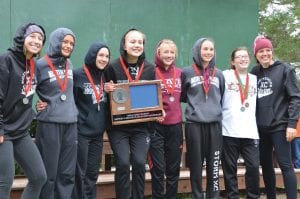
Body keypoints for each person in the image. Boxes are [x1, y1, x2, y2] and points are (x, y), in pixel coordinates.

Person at [103, 28, 155, 199]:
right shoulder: (112, 67)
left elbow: (153, 98)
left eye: (140, 42)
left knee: (140, 163)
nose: (137, 45)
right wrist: (106, 89)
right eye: (132, 42)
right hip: (119, 128)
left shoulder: (149, 68)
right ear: (124, 45)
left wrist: (156, 112)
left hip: (141, 127)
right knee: (123, 163)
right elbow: (103, 92)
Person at [0, 23, 47, 199]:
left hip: (20, 132)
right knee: (4, 180)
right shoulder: (6, 60)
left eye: (40, 38)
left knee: (39, 177)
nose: (36, 41)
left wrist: (36, 107)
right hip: (4, 130)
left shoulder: (32, 64)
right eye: (32, 36)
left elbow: (23, 94)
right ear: (22, 38)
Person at [250, 35, 300, 199]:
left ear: (272, 51)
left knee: (286, 165)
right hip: (260, 128)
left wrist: (292, 124)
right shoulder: (254, 72)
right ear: (256, 54)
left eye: (267, 50)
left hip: (280, 126)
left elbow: (295, 97)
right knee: (265, 165)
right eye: (261, 51)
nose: (265, 54)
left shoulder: (285, 69)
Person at [35, 27, 78, 199]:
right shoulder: (40, 65)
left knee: (67, 174)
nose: (68, 46)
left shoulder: (70, 64)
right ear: (55, 41)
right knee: (49, 174)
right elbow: (25, 92)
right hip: (50, 124)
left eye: (72, 43)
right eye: (65, 42)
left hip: (71, 123)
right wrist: (35, 107)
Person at [181, 37, 225, 198]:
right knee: (196, 164)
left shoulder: (219, 74)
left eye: (211, 49)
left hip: (214, 125)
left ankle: (213, 196)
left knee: (214, 164)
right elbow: (183, 96)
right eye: (204, 49)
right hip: (194, 124)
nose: (208, 52)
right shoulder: (186, 72)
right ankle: (197, 195)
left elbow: (221, 96)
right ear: (197, 50)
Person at [72, 41, 110, 199]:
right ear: (93, 55)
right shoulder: (78, 74)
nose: (104, 59)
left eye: (107, 56)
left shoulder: (105, 76)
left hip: (97, 134)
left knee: (92, 173)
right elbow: (70, 102)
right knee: (79, 173)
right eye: (100, 55)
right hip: (81, 133)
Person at [221, 47, 260, 199]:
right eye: (239, 57)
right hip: (228, 130)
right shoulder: (225, 75)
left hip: (250, 132)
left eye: (245, 56)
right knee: (230, 169)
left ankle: (253, 196)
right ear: (232, 61)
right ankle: (233, 196)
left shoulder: (255, 78)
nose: (243, 59)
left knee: (253, 167)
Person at [147, 39, 183, 199]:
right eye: (165, 52)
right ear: (158, 54)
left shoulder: (181, 73)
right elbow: (142, 98)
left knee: (173, 169)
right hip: (156, 128)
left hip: (175, 127)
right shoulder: (151, 72)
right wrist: (155, 110)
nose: (169, 55)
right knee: (158, 170)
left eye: (171, 52)